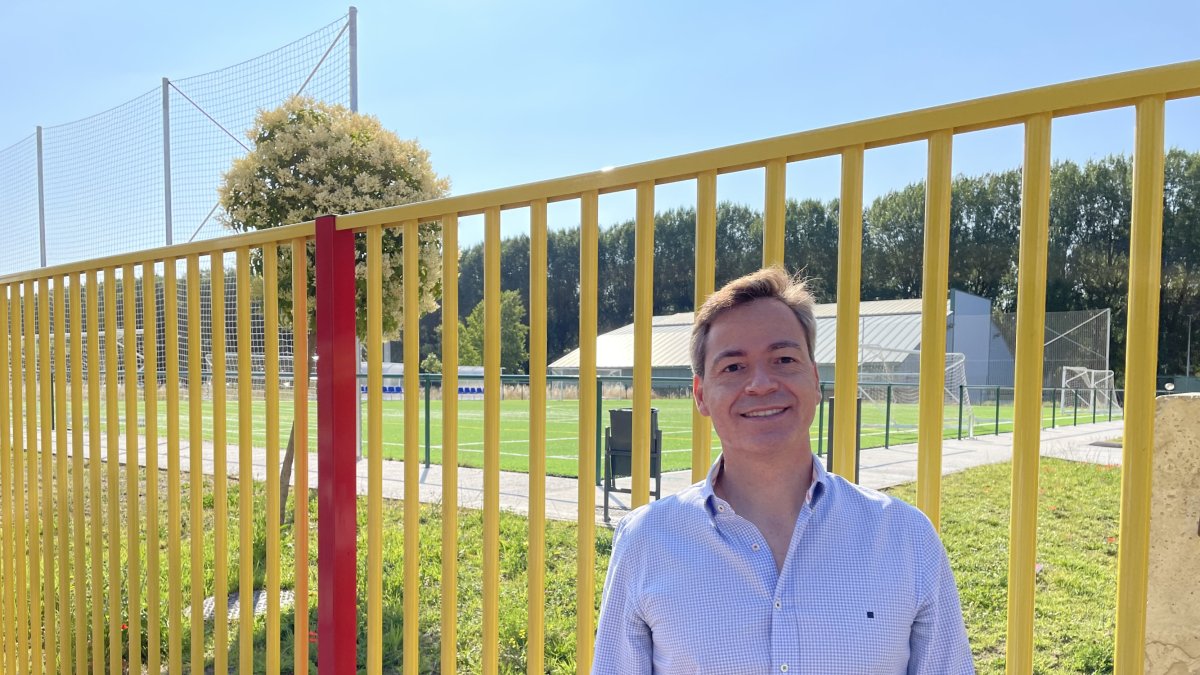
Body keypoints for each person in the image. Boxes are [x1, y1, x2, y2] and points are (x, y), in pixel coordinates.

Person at [592, 266, 974, 674]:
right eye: (733, 367)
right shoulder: (646, 542)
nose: (760, 383)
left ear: (815, 379)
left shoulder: (906, 538)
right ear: (701, 395)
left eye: (783, 359)